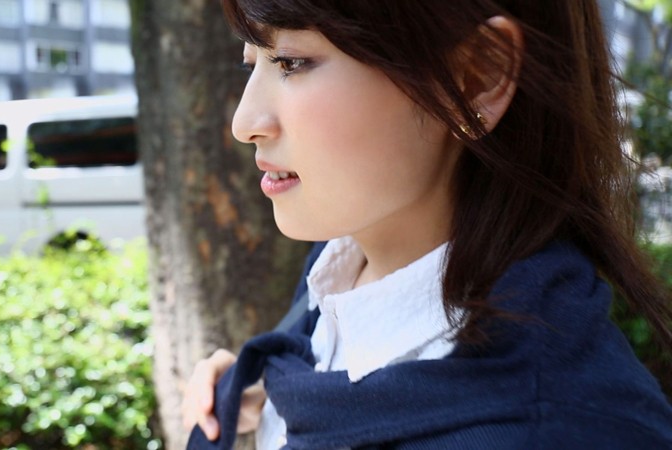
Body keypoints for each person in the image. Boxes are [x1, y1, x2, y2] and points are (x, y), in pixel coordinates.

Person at [183, 1, 672, 448]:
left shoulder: (562, 430)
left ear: (478, 76)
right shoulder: (345, 263)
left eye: (291, 62)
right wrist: (282, 397)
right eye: (251, 62)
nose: (244, 122)